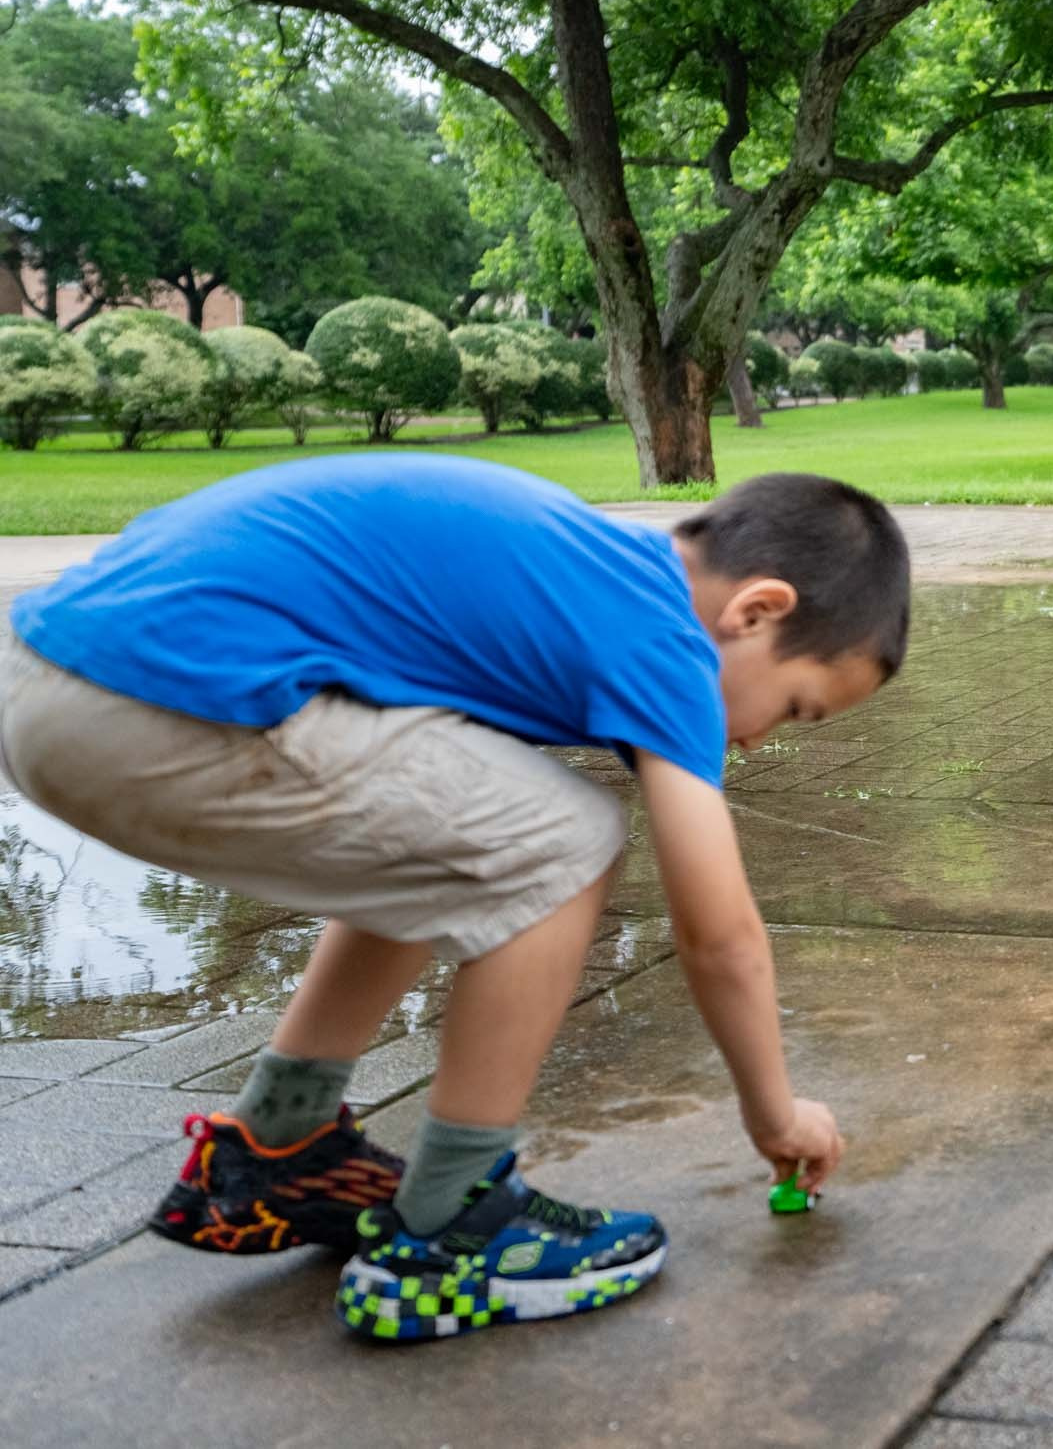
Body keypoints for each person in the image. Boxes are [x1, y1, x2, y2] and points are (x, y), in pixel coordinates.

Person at [0, 456, 909, 1341]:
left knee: (459, 832)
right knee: (567, 843)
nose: (756, 741)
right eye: (796, 708)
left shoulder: (582, 573)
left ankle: (280, 1144)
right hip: (150, 698)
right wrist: (774, 1112)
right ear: (756, 610)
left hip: (49, 677)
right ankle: (455, 1228)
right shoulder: (666, 634)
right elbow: (719, 935)